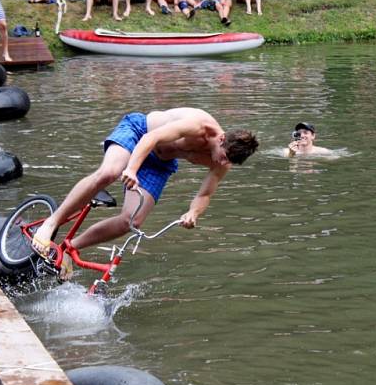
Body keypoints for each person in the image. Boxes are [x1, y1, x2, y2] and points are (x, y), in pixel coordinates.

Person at [29, 108, 259, 277]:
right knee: (110, 172)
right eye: (224, 154)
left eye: (229, 161)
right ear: (221, 139)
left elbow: (204, 194)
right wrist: (131, 169)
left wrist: (193, 214)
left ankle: (69, 249)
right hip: (139, 132)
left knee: (131, 221)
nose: (221, 161)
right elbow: (151, 138)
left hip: (160, 163)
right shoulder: (198, 125)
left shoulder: (223, 163)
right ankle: (51, 223)